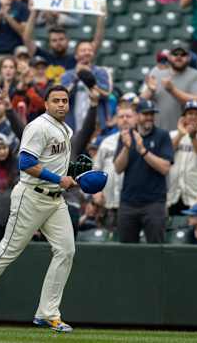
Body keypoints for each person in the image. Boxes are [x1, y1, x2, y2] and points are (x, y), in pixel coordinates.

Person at [0, 86, 77, 333]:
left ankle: (48, 312)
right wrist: (59, 179)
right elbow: (25, 163)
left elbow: (55, 165)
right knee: (8, 251)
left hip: (55, 200)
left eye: (65, 101)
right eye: (56, 100)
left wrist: (72, 175)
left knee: (66, 250)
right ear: (45, 104)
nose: (61, 105)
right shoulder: (38, 126)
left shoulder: (66, 129)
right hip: (31, 196)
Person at [114, 100, 174, 243]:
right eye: (145, 114)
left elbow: (165, 168)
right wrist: (126, 148)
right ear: (136, 115)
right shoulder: (126, 135)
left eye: (151, 114)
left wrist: (143, 151)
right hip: (128, 202)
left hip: (154, 203)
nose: (149, 117)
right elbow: (118, 168)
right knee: (127, 250)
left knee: (156, 250)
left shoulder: (162, 135)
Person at [141, 41, 197, 131]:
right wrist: (150, 90)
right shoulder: (156, 72)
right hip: (157, 133)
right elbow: (140, 102)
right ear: (169, 56)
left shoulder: (196, 75)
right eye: (175, 54)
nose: (179, 57)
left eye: (183, 54)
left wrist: (172, 90)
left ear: (189, 57)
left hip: (184, 133)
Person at [23, 13, 104, 84]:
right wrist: (34, 12)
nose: (58, 43)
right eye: (54, 40)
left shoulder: (76, 59)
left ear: (67, 40)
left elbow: (96, 43)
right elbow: (26, 38)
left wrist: (101, 17)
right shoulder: (43, 57)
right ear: (49, 43)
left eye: (61, 39)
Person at [93, 101, 137, 231]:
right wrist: (96, 191)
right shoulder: (107, 142)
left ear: (135, 118)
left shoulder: (141, 141)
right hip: (108, 204)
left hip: (133, 206)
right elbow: (96, 170)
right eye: (121, 117)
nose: (124, 120)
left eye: (128, 116)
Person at [61, 41, 111, 131]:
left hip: (97, 123)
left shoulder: (100, 72)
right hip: (73, 124)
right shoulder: (67, 75)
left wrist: (89, 77)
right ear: (76, 55)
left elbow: (106, 94)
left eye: (90, 50)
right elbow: (62, 96)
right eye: (83, 50)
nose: (87, 52)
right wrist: (77, 76)